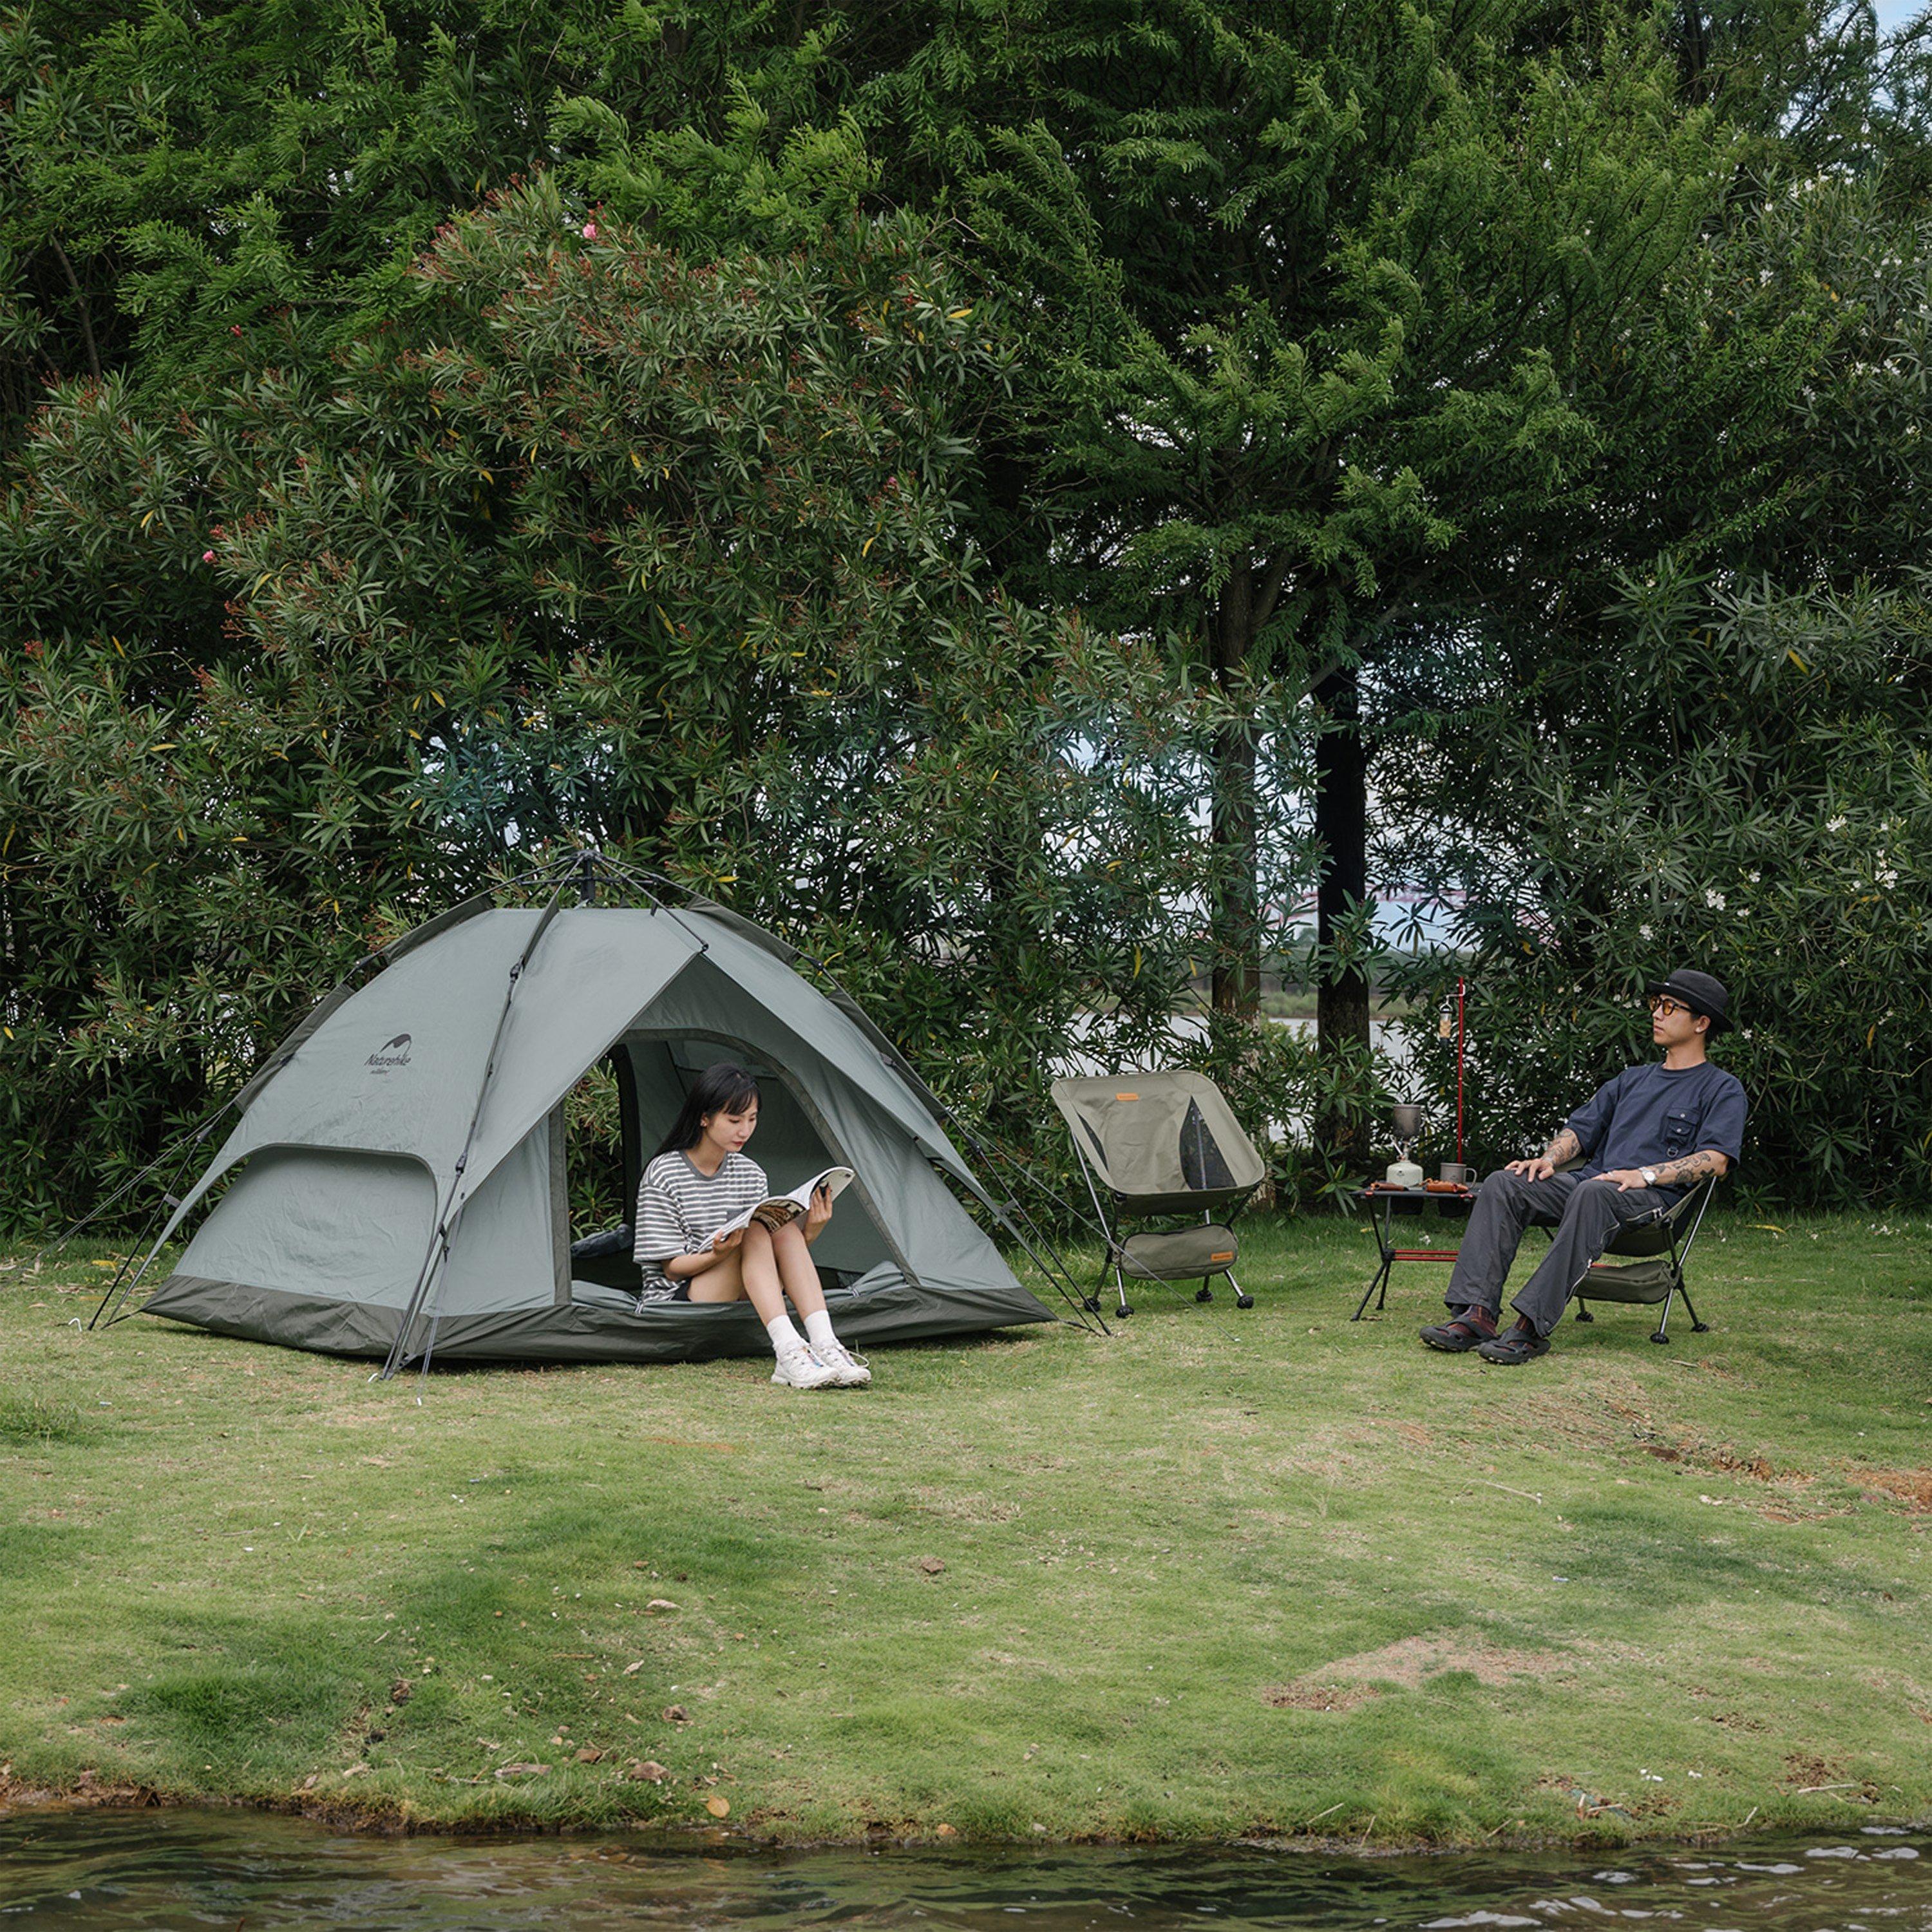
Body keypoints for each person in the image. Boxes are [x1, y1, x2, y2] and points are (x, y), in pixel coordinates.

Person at [1419, 968, 1746, 1365]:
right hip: (1590, 1187)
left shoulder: (1721, 1088)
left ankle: (1530, 1327)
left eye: (1670, 1007)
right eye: (1655, 1005)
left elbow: (1716, 1160)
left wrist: (1643, 1175)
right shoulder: (1632, 1080)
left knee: (1594, 1192)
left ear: (1702, 1023)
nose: (1656, 1014)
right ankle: (1478, 1315)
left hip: (1653, 1202)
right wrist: (1548, 1160)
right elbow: (1581, 1130)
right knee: (1505, 1182)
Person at [632, 1061, 871, 1389]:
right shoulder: (664, 1173)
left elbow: (765, 1263)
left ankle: (826, 1343)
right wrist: (720, 1254)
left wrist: (810, 1232)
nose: (745, 1130)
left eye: (753, 1119)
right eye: (734, 1120)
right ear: (704, 1118)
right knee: (757, 1229)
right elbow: (671, 1270)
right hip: (681, 1295)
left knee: (779, 1227)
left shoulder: (751, 1172)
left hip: (740, 1286)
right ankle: (788, 1350)